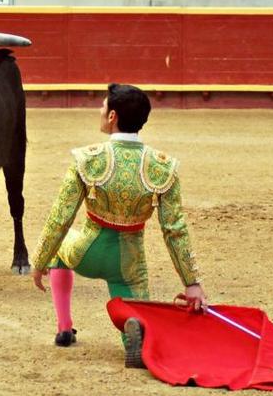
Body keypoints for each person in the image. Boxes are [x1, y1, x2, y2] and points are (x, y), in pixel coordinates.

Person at [30, 84, 206, 368]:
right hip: (129, 262)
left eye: (102, 108)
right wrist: (192, 283)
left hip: (87, 250)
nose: (99, 112)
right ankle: (133, 332)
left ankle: (64, 328)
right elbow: (174, 229)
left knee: (61, 249)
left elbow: (60, 217)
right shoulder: (162, 167)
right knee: (135, 309)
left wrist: (40, 261)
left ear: (112, 116)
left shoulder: (88, 159)